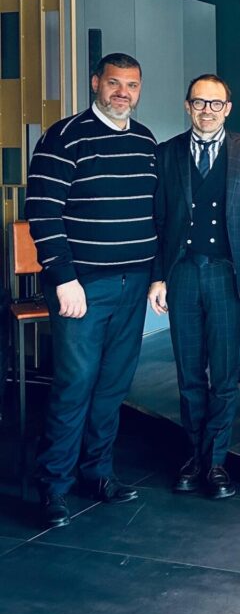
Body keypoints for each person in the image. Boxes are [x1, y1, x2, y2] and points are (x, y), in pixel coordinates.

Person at [25, 53, 157, 528]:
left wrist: (155, 276)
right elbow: (42, 211)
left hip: (133, 283)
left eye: (132, 85)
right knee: (75, 384)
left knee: (113, 384)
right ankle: (53, 486)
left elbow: (153, 213)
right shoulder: (63, 137)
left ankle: (97, 473)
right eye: (114, 83)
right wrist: (64, 279)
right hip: (82, 285)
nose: (123, 93)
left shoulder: (145, 141)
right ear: (96, 83)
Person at [148, 74, 240, 499]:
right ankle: (193, 456)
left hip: (226, 274)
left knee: (223, 372)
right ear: (188, 106)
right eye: (199, 102)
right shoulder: (167, 153)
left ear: (228, 109)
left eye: (215, 103)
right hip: (181, 274)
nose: (207, 110)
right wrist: (157, 277)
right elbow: (158, 221)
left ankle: (216, 461)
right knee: (188, 373)